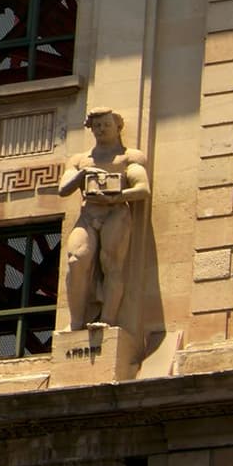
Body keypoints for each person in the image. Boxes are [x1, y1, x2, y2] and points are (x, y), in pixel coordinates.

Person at [55, 111, 147, 336]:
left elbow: (143, 189)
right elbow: (63, 189)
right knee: (76, 260)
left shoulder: (129, 157)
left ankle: (107, 319)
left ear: (117, 127)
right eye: (96, 125)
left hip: (116, 212)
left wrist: (116, 196)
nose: (101, 129)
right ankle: (76, 321)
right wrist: (82, 175)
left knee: (112, 264)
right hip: (88, 214)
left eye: (106, 124)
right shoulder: (79, 160)